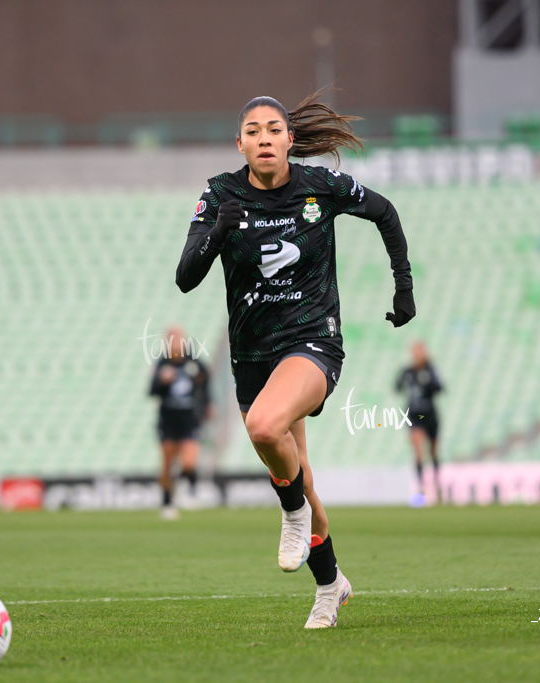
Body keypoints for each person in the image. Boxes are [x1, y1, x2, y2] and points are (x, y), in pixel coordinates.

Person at [175, 92, 414, 628]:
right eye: (253, 130)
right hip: (251, 355)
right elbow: (185, 277)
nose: (264, 138)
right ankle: (331, 586)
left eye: (274, 129)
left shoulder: (320, 187)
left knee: (263, 427)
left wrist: (404, 288)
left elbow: (384, 212)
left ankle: (290, 514)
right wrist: (217, 233)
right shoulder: (219, 194)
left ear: (289, 140)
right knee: (299, 479)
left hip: (313, 340)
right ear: (240, 143)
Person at [148, 326, 211, 520]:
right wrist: (162, 382)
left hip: (189, 420)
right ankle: (167, 502)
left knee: (189, 462)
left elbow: (205, 383)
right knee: (168, 464)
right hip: (168, 421)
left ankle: (189, 492)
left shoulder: (194, 362)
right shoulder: (162, 364)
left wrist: (208, 405)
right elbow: (152, 391)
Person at [395, 342, 444, 504]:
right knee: (418, 450)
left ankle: (437, 485)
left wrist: (428, 380)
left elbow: (440, 388)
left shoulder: (430, 370)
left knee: (433, 451)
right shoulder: (408, 372)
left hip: (429, 414)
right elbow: (397, 387)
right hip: (415, 415)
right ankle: (422, 486)